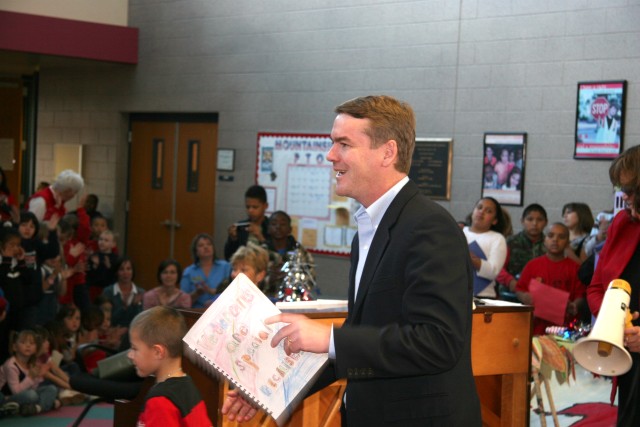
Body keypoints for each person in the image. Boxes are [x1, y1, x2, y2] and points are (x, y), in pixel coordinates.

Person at [228, 95, 481, 426]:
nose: (331, 155)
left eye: (343, 144)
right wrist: (269, 389)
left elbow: (438, 341)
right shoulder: (368, 230)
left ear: (387, 152)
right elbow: (364, 337)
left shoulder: (429, 226)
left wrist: (330, 337)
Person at [128, 306, 255, 426]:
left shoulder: (160, 401)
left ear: (158, 352)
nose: (130, 355)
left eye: (135, 348)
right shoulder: (187, 385)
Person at [587, 145, 640, 427]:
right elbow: (596, 288)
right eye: (621, 188)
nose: (624, 196)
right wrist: (613, 321)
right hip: (630, 360)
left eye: (631, 188)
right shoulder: (623, 223)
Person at [515, 223, 585, 335]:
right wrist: (524, 296)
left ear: (567, 242)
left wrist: (574, 305)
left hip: (564, 328)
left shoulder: (575, 269)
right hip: (536, 327)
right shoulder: (532, 265)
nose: (555, 240)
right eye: (550, 235)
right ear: (544, 239)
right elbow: (519, 289)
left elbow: (580, 296)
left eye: (561, 237)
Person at [1, 329, 61, 416]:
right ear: (15, 347)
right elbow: (16, 392)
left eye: (32, 343)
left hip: (27, 393)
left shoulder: (32, 363)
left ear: (36, 348)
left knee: (52, 388)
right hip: (7, 397)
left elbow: (34, 387)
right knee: (32, 396)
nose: (28, 346)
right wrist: (31, 377)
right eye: (23, 342)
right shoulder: (11, 365)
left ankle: (37, 408)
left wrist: (38, 376)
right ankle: (48, 404)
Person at [497, 203, 548, 296]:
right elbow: (498, 268)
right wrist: (511, 282)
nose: (534, 223)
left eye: (539, 220)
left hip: (541, 294)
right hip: (511, 292)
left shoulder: (549, 244)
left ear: (546, 222)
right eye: (530, 219)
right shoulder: (510, 242)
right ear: (522, 221)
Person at [463, 197, 508, 298]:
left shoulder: (497, 238)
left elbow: (493, 272)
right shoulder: (460, 232)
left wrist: (471, 258)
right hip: (456, 293)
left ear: (495, 220)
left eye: (488, 211)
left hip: (483, 296)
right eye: (479, 207)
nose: (481, 212)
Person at [263, 210, 316, 295]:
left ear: (290, 229)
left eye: (283, 224)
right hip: (265, 299)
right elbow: (252, 280)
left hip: (292, 299)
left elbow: (311, 278)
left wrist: (291, 277)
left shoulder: (300, 251)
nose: (278, 227)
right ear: (268, 229)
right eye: (274, 224)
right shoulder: (260, 251)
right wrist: (270, 278)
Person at [180, 233, 230, 308]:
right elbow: (182, 302)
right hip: (196, 312)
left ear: (213, 248)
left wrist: (212, 291)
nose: (206, 247)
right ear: (196, 251)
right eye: (201, 245)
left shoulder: (225, 266)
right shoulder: (189, 272)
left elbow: (232, 293)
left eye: (209, 244)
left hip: (221, 310)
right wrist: (196, 293)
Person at [223, 185, 270, 260]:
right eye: (248, 207)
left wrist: (261, 238)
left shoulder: (272, 227)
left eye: (255, 207)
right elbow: (228, 257)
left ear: (265, 206)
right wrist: (233, 240)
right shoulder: (241, 227)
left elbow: (276, 256)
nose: (250, 211)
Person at [101, 257, 145, 332]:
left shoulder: (141, 293)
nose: (125, 273)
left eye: (128, 269)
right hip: (112, 333)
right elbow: (106, 319)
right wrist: (124, 308)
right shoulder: (108, 292)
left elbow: (142, 320)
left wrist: (135, 306)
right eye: (121, 269)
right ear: (116, 272)